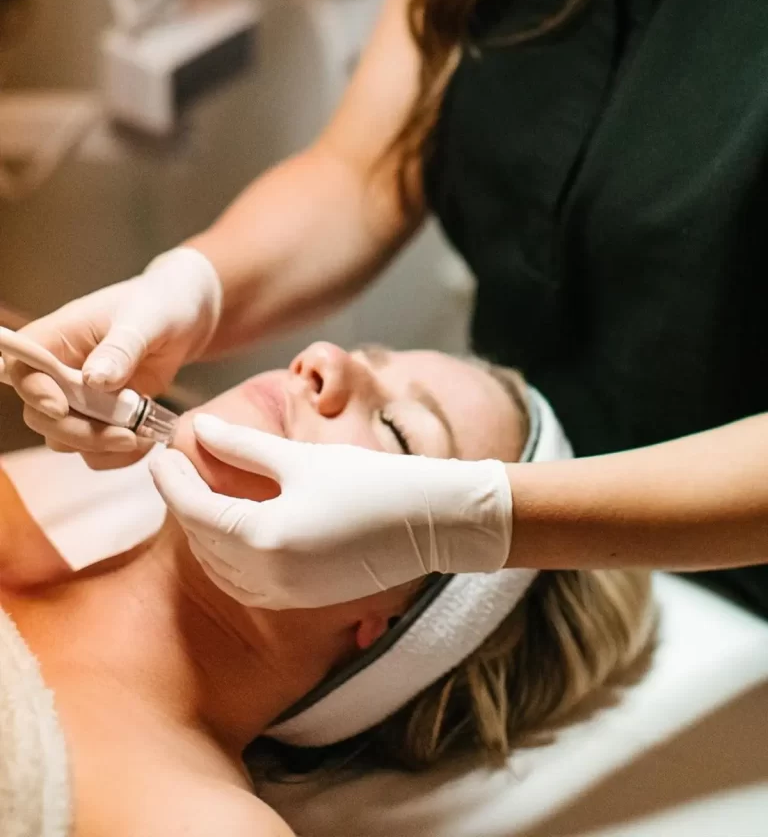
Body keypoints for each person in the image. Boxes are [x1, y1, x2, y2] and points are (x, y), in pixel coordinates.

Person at [5, 0, 768, 613]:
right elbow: (365, 169)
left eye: (403, 431)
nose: (323, 363)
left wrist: (478, 521)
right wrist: (194, 290)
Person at [0, 343, 654, 836]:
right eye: (366, 353)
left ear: (392, 624)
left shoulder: (194, 819)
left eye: (399, 429)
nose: (324, 358)